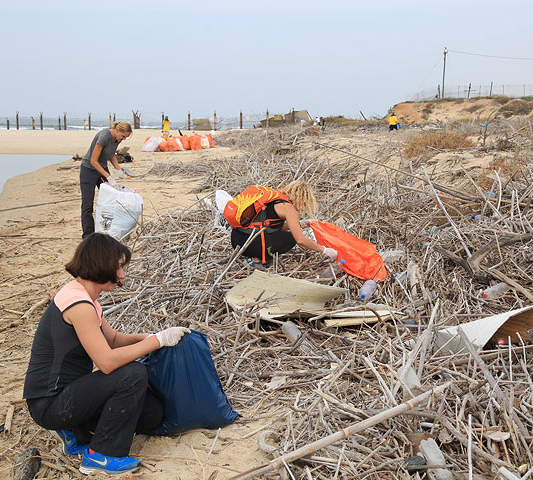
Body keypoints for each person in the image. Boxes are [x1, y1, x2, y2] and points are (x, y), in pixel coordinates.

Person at [23, 233, 190, 475]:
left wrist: (149, 336)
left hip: (70, 395)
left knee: (152, 414)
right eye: (119, 266)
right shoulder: (78, 304)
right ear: (101, 263)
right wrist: (156, 341)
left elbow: (112, 340)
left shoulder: (85, 297)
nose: (122, 275)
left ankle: (74, 430)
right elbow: (107, 362)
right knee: (133, 373)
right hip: (49, 402)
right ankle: (101, 454)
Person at [229, 181, 337, 269]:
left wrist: (299, 224)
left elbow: (269, 226)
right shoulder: (288, 208)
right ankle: (256, 260)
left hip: (237, 240)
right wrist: (324, 250)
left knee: (281, 233)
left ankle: (252, 255)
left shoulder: (273, 199)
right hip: (250, 245)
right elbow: (300, 239)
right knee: (290, 238)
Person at [80, 121, 133, 238]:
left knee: (112, 198)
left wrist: (119, 170)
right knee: (87, 205)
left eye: (126, 137)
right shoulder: (104, 136)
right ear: (118, 130)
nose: (123, 139)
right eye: (123, 136)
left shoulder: (117, 139)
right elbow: (93, 161)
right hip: (89, 170)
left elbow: (111, 154)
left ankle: (109, 230)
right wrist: (108, 177)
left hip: (102, 169)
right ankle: (88, 236)